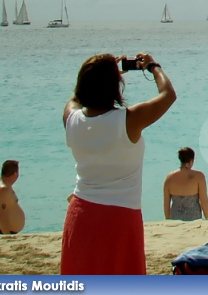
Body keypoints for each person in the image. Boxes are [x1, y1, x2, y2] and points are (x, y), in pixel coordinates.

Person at [61, 52, 176, 274]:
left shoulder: (71, 120)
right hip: (120, 218)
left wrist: (96, 73)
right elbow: (168, 94)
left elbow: (74, 98)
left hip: (81, 214)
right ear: (115, 87)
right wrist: (153, 66)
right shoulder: (128, 121)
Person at [164, 147, 208, 221]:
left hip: (175, 217)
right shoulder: (199, 176)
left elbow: (166, 202)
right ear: (192, 160)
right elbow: (203, 199)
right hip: (194, 217)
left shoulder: (170, 177)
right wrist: (207, 218)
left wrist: (168, 219)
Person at [0, 160, 25, 235]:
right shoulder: (3, 189)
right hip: (2, 232)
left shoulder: (3, 185)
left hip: (3, 231)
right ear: (15, 174)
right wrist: (7, 236)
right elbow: (1, 217)